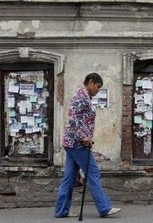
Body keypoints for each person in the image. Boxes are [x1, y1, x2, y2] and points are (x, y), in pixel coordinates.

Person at [55, 73, 121, 218]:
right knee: (93, 173)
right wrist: (83, 137)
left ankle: (61, 211)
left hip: (72, 143)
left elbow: (80, 120)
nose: (98, 90)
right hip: (78, 143)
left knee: (69, 177)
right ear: (90, 82)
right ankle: (104, 207)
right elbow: (73, 120)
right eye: (97, 87)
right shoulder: (80, 97)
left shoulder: (85, 98)